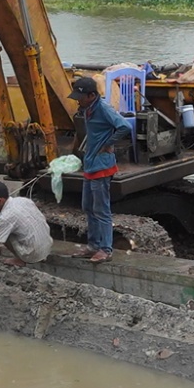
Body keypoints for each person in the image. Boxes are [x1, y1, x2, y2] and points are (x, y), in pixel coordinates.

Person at [69, 75, 124, 263]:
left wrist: (109, 143)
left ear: (92, 96)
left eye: (80, 97)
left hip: (101, 165)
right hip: (90, 164)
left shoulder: (103, 109)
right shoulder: (88, 109)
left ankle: (105, 249)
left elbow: (124, 126)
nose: (78, 100)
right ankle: (93, 245)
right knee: (88, 206)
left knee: (101, 209)